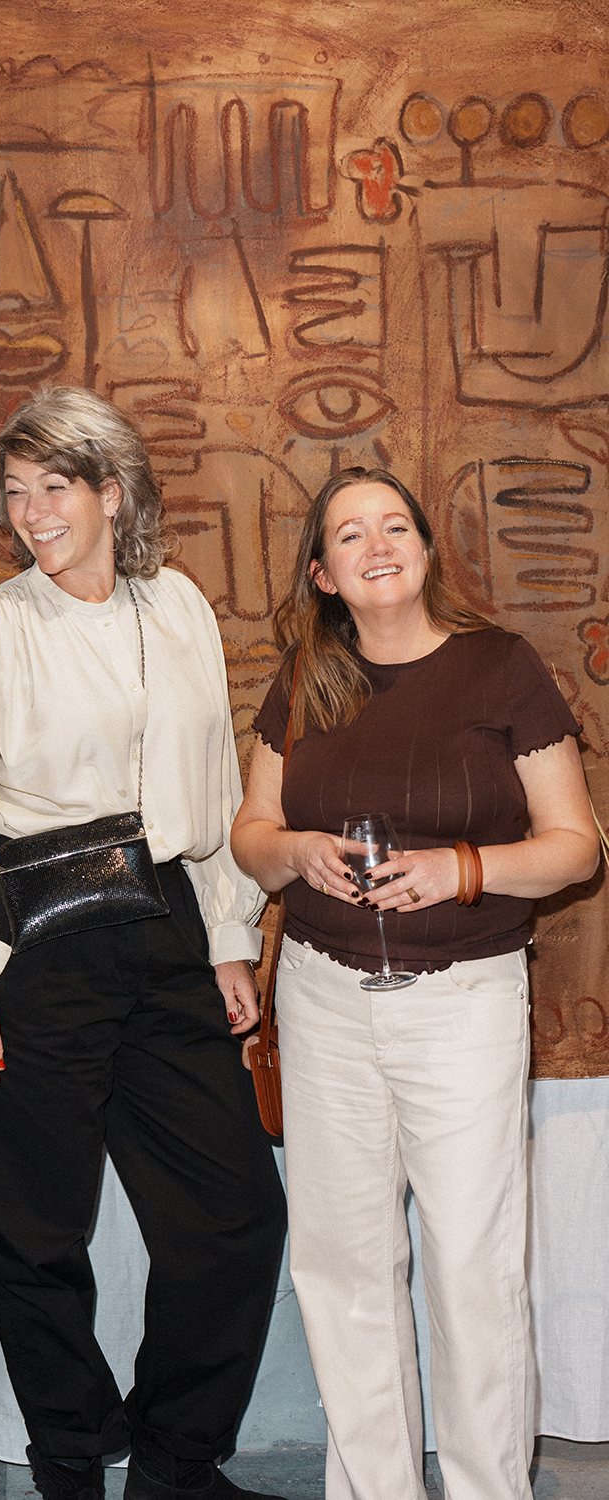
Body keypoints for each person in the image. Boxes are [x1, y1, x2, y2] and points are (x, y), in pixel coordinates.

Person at [0, 386, 286, 1500]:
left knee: (233, 1216)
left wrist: (228, 935)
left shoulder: (178, 605)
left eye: (54, 488)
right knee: (33, 1227)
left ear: (113, 493)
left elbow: (211, 783)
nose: (31, 513)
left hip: (168, 921)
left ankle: (175, 1461)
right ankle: (70, 1453)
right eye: (15, 495)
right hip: (37, 941)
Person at [229, 466, 600, 1500]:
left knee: (474, 1271)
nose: (377, 544)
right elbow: (250, 836)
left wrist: (461, 869)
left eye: (395, 525)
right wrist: (294, 850)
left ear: (428, 552)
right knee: (342, 1270)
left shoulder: (501, 668)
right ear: (323, 573)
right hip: (322, 1002)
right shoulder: (304, 679)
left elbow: (575, 847)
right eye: (350, 533)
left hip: (464, 1005)